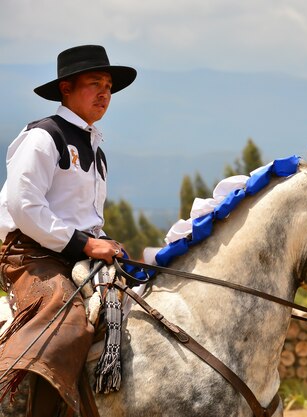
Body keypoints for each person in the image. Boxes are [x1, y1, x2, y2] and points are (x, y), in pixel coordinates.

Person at [0, 45, 136, 417]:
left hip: (75, 252)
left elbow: (86, 216)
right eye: (95, 83)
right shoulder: (44, 137)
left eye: (108, 85)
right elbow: (23, 206)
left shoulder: (96, 149)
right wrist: (86, 243)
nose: (105, 93)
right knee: (65, 316)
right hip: (29, 253)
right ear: (65, 88)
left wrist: (103, 243)